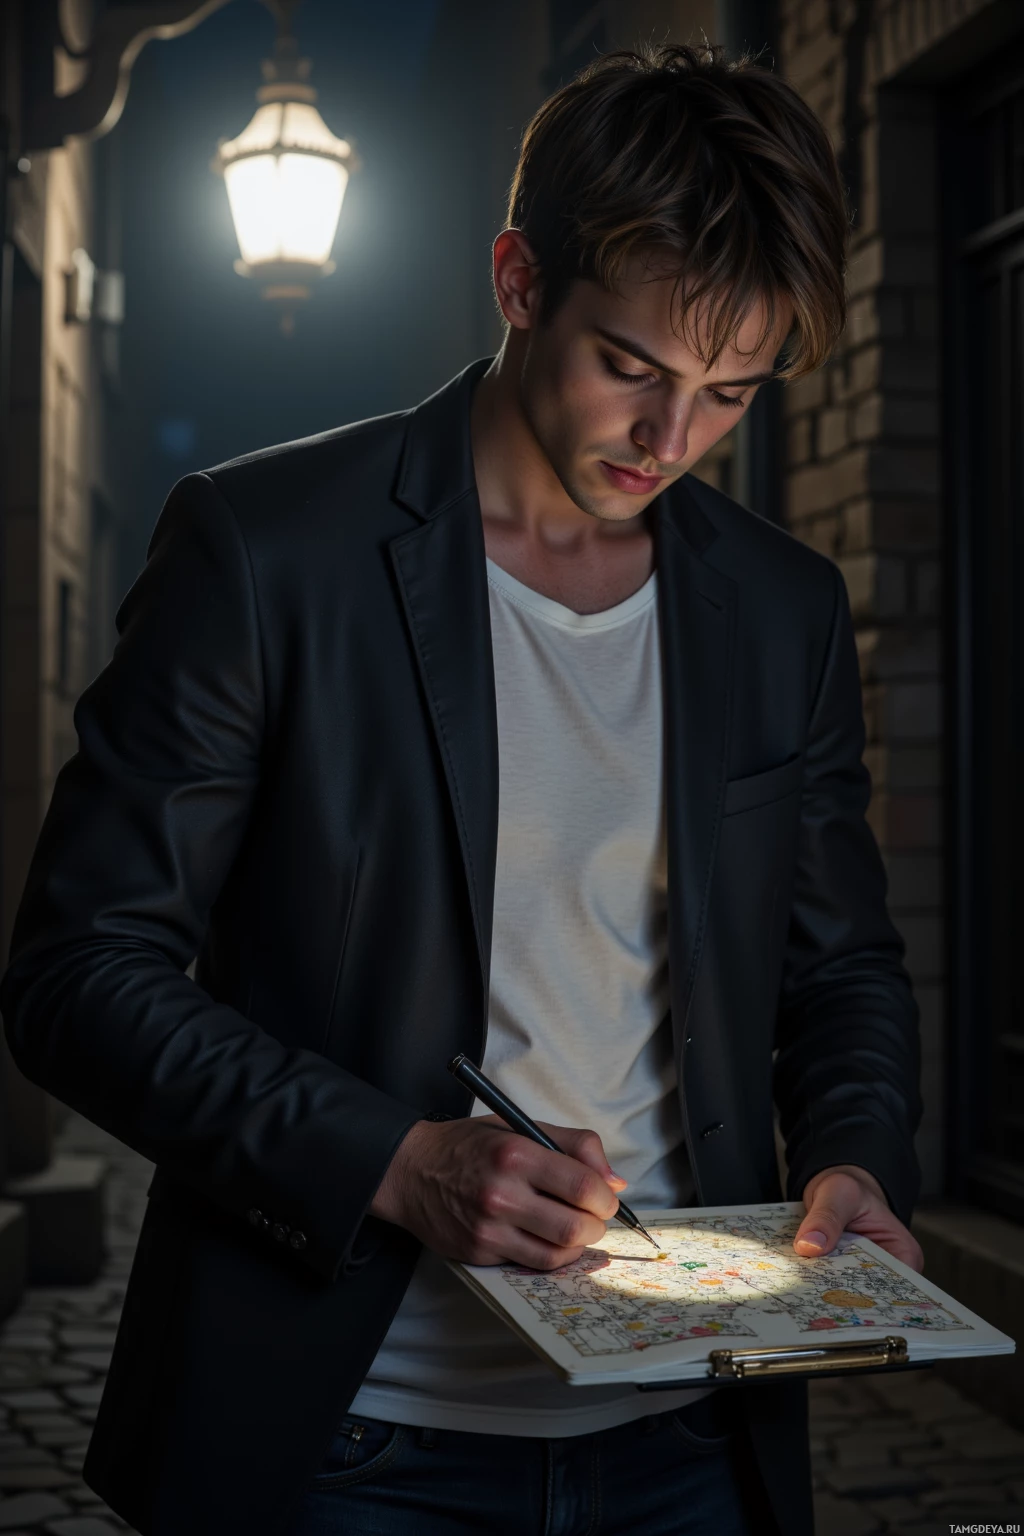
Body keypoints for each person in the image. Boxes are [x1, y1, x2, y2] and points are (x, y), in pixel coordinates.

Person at [0, 40, 922, 1536]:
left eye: (730, 394)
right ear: (516, 281)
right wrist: (398, 1164)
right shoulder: (266, 550)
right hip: (350, 1439)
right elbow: (75, 974)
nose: (670, 441)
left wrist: (858, 1164)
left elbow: (843, 971)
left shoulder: (783, 608)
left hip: (698, 1436)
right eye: (632, 365)